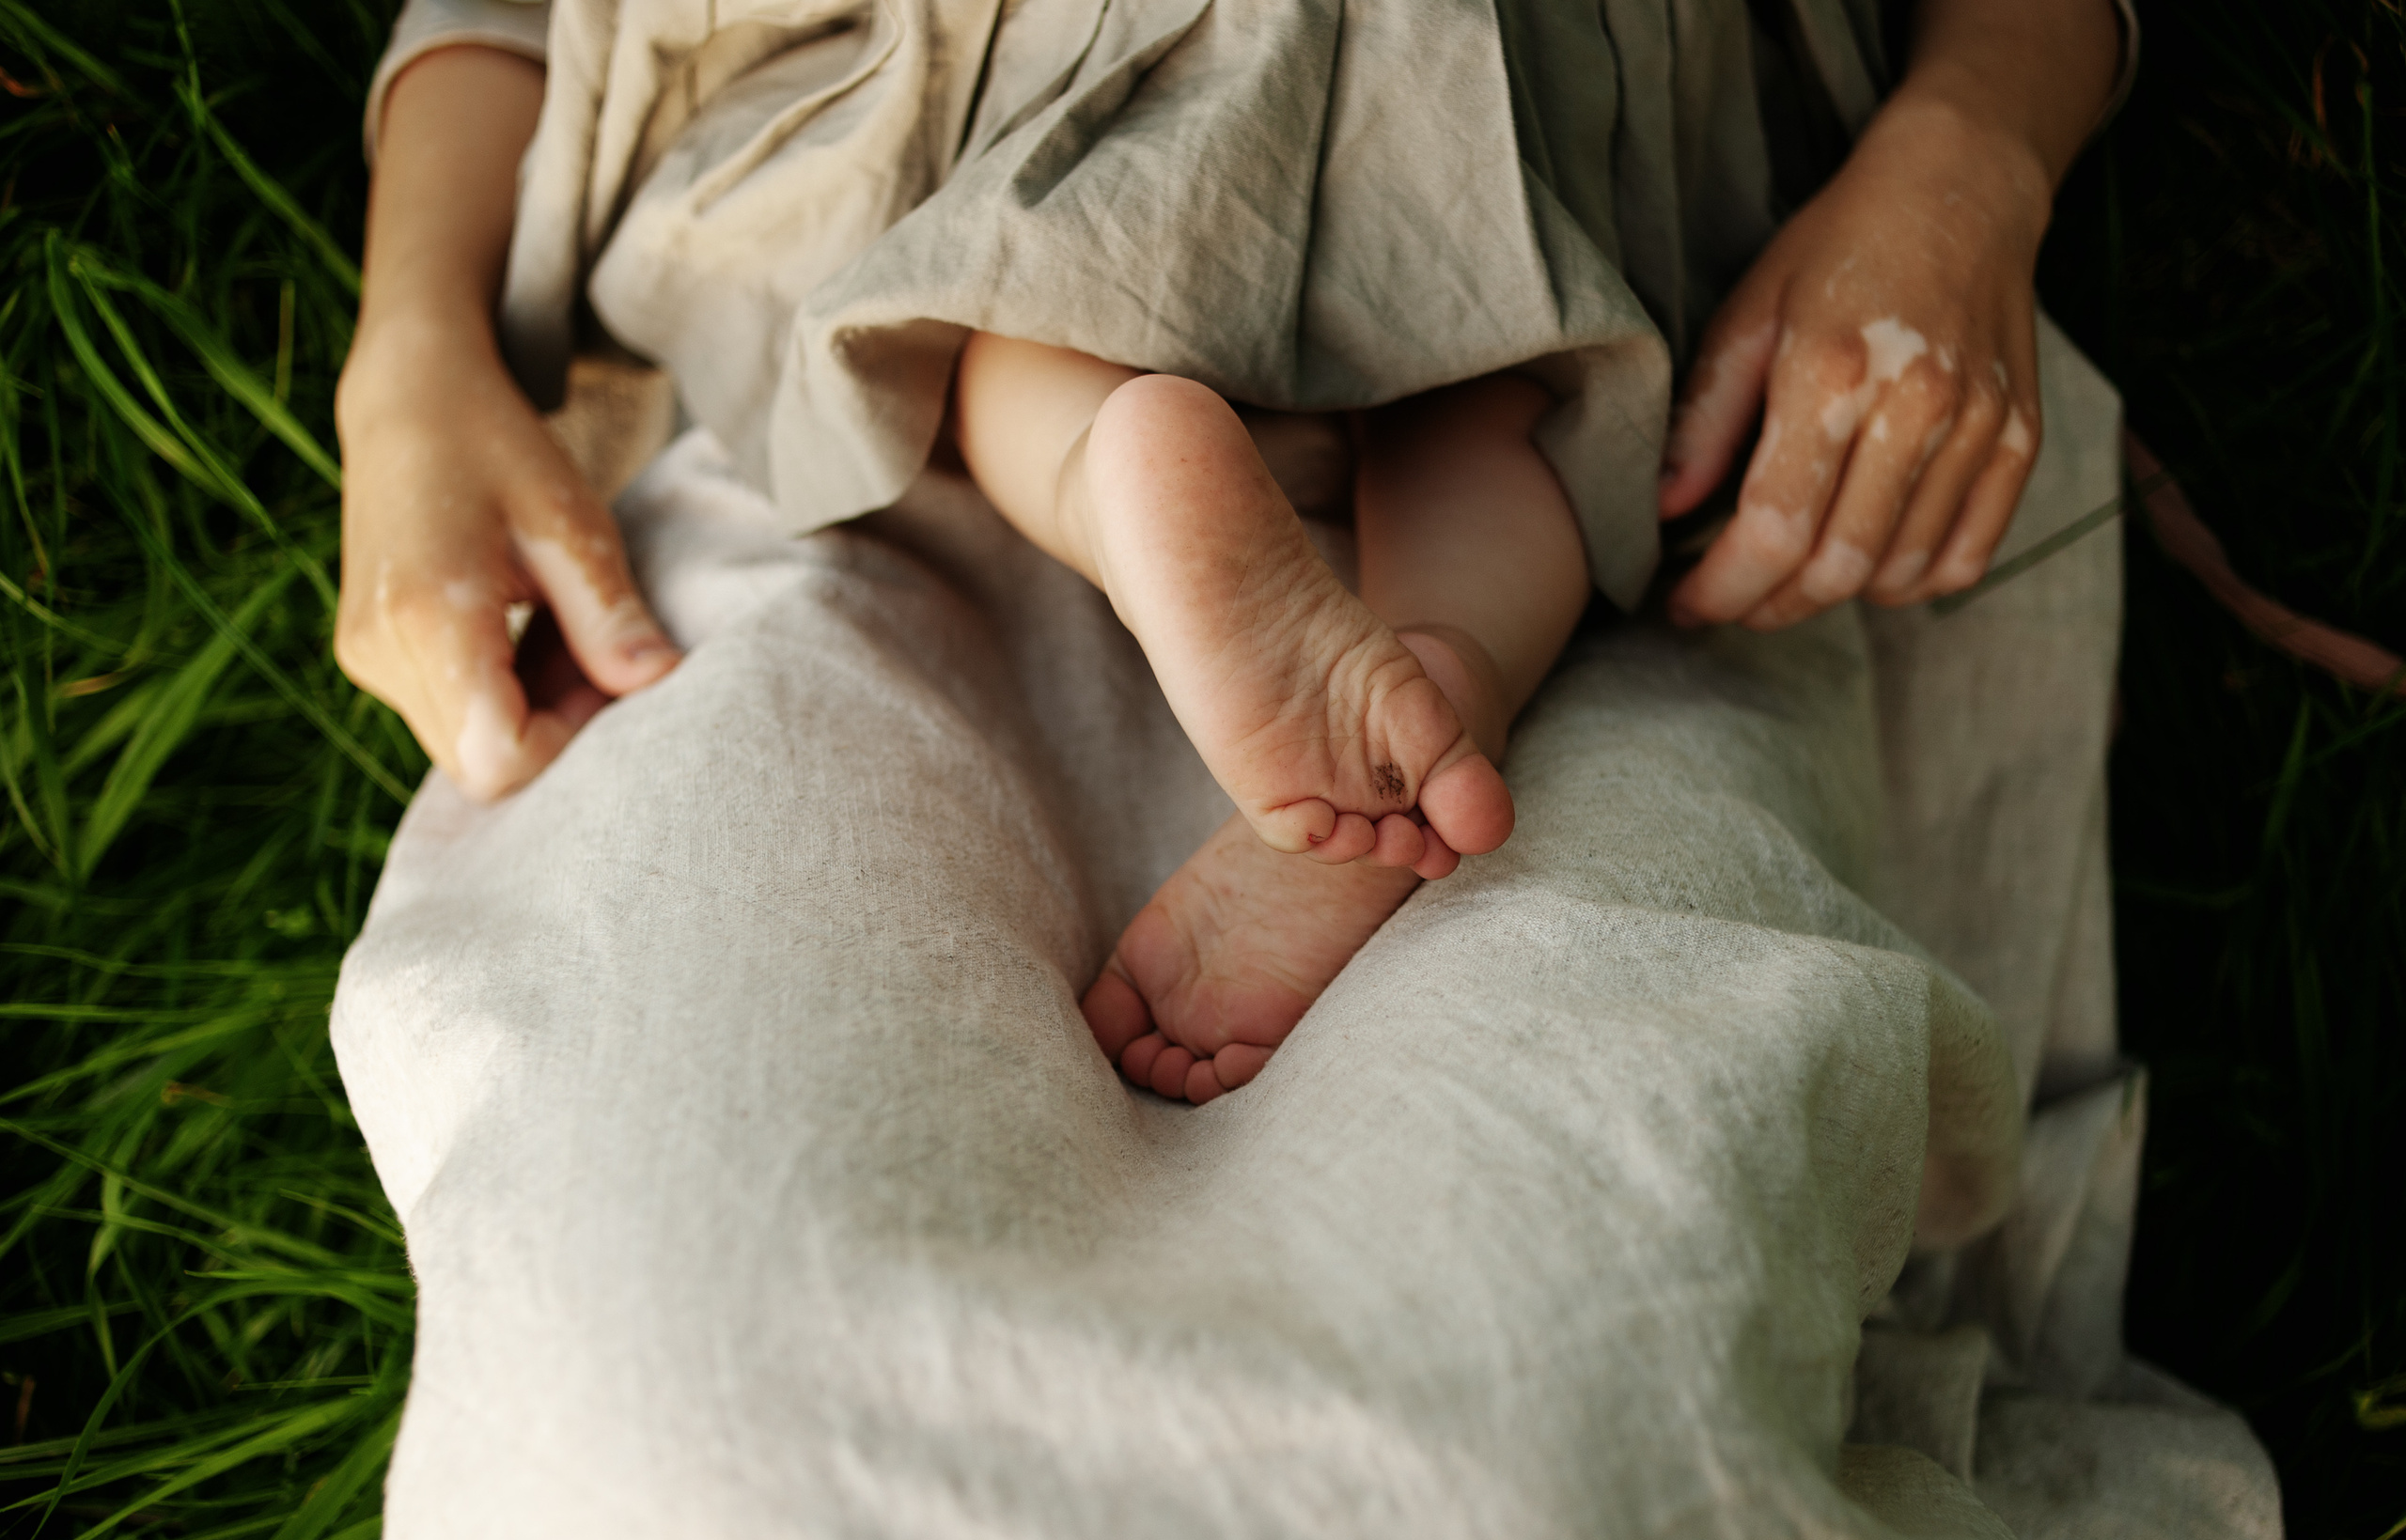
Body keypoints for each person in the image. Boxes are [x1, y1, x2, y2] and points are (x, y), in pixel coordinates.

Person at [334, 0, 2123, 1105]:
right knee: (1506, 394)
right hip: (1529, 72)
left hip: (995, 93)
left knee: (981, 333)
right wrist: (402, 364)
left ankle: (1121, 468)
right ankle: (1437, 672)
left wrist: (410, 328)